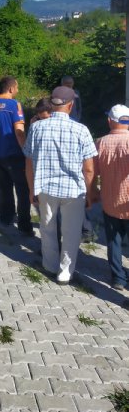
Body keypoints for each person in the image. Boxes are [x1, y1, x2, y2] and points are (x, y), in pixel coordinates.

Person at [23, 86, 96, 284]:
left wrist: (31, 189)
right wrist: (90, 193)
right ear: (71, 106)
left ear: (52, 104)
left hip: (45, 188)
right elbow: (89, 169)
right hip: (74, 191)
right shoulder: (82, 130)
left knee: (47, 229)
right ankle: (65, 273)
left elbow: (28, 162)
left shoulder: (37, 127)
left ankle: (50, 265)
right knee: (71, 233)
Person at [0, 76, 33, 234]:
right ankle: (24, 226)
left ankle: (6, 217)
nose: (17, 90)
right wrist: (27, 152)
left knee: (3, 188)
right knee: (22, 190)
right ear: (10, 89)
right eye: (16, 88)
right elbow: (19, 133)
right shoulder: (14, 105)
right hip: (14, 155)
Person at [92, 104, 129, 290]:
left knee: (113, 241)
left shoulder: (101, 142)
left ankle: (118, 278)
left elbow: (92, 171)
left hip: (109, 202)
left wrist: (93, 192)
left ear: (110, 121)